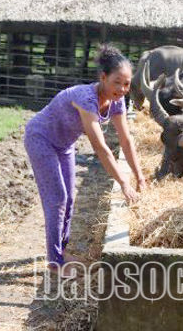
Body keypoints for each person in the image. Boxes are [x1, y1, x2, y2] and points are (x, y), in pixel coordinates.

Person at [24, 43, 147, 277]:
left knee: (70, 197)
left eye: (127, 83)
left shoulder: (117, 101)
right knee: (57, 197)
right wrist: (123, 183)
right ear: (103, 77)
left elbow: (126, 140)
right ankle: (55, 262)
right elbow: (100, 147)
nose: (122, 88)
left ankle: (61, 252)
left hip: (64, 145)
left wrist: (139, 176)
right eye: (117, 82)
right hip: (41, 138)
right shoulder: (86, 99)